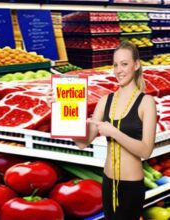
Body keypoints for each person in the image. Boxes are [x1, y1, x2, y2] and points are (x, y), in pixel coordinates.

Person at [47, 41, 157, 220]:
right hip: (107, 181)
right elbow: (82, 143)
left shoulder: (146, 102)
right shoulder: (104, 101)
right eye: (115, 65)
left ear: (136, 65)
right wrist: (60, 110)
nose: (118, 70)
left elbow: (146, 150)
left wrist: (114, 132)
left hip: (131, 184)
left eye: (124, 64)